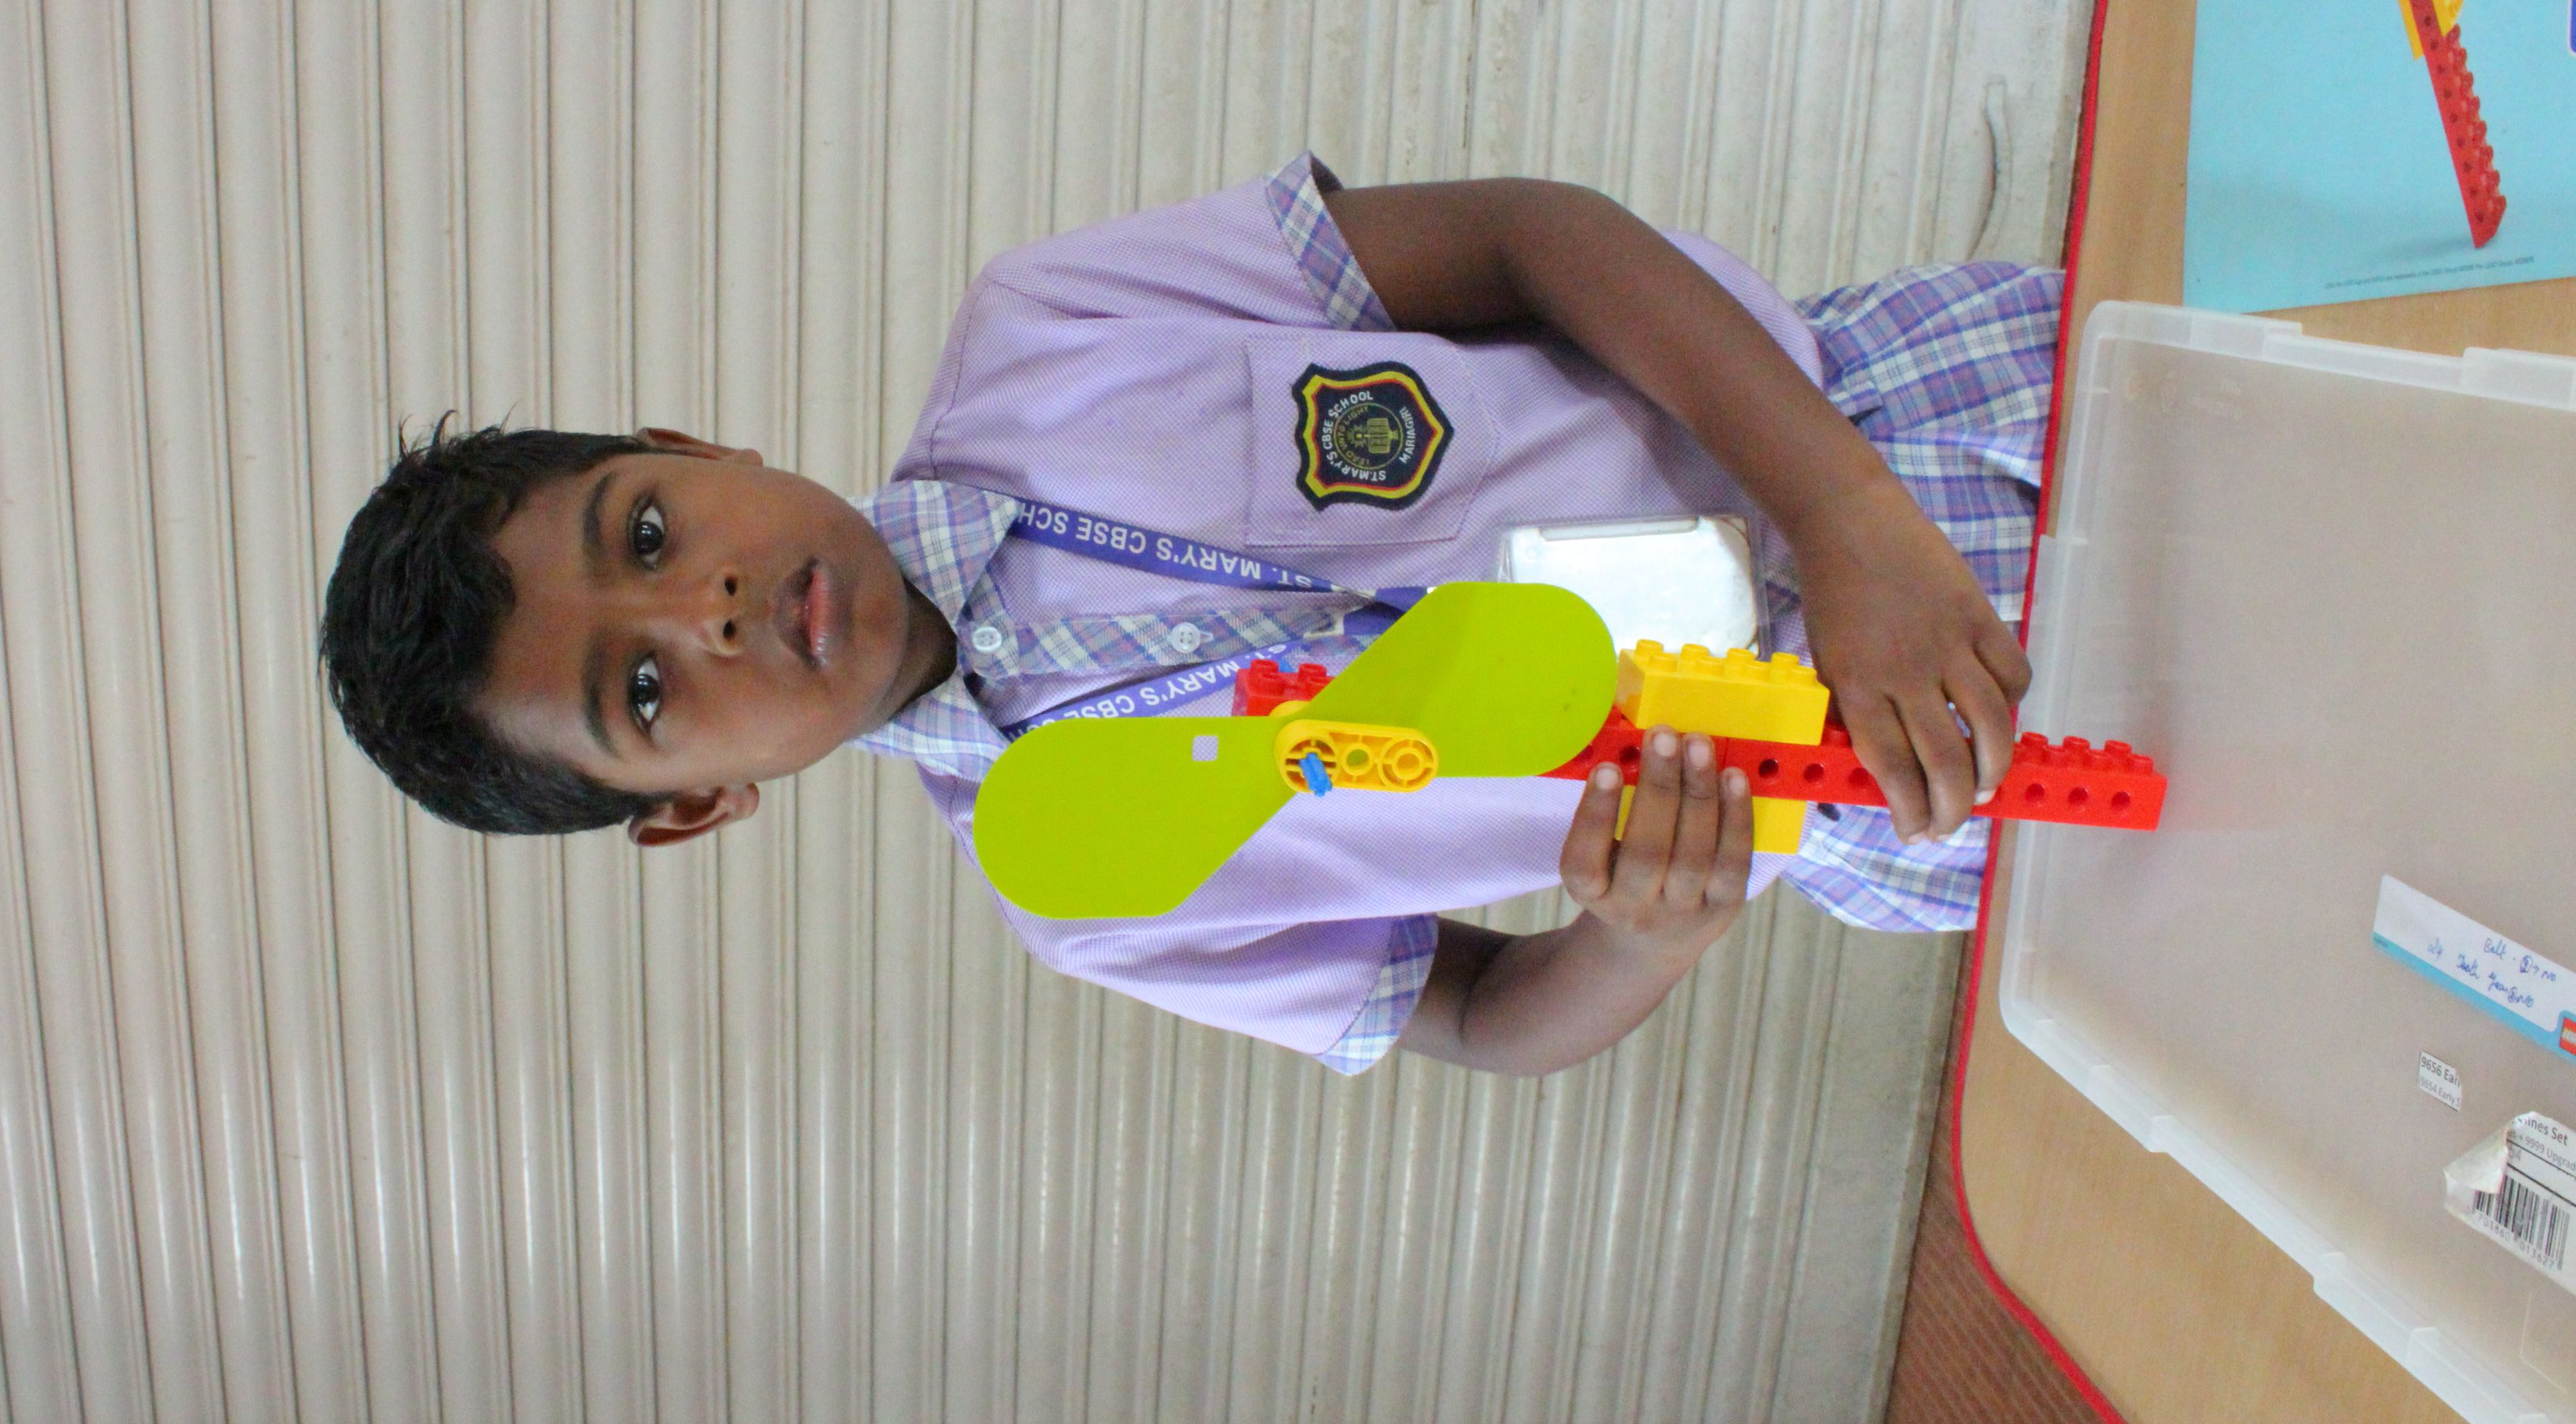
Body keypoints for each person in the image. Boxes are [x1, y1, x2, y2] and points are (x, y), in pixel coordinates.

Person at [320, 156, 2057, 1075]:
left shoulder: (1051, 327)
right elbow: (1477, 1017)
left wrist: (1845, 512)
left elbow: (1529, 237)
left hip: (1914, 419)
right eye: (641, 691)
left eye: (646, 527)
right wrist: (1649, 931)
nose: (702, 609)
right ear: (695, 803)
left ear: (695, 448)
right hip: (1907, 788)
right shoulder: (1088, 897)